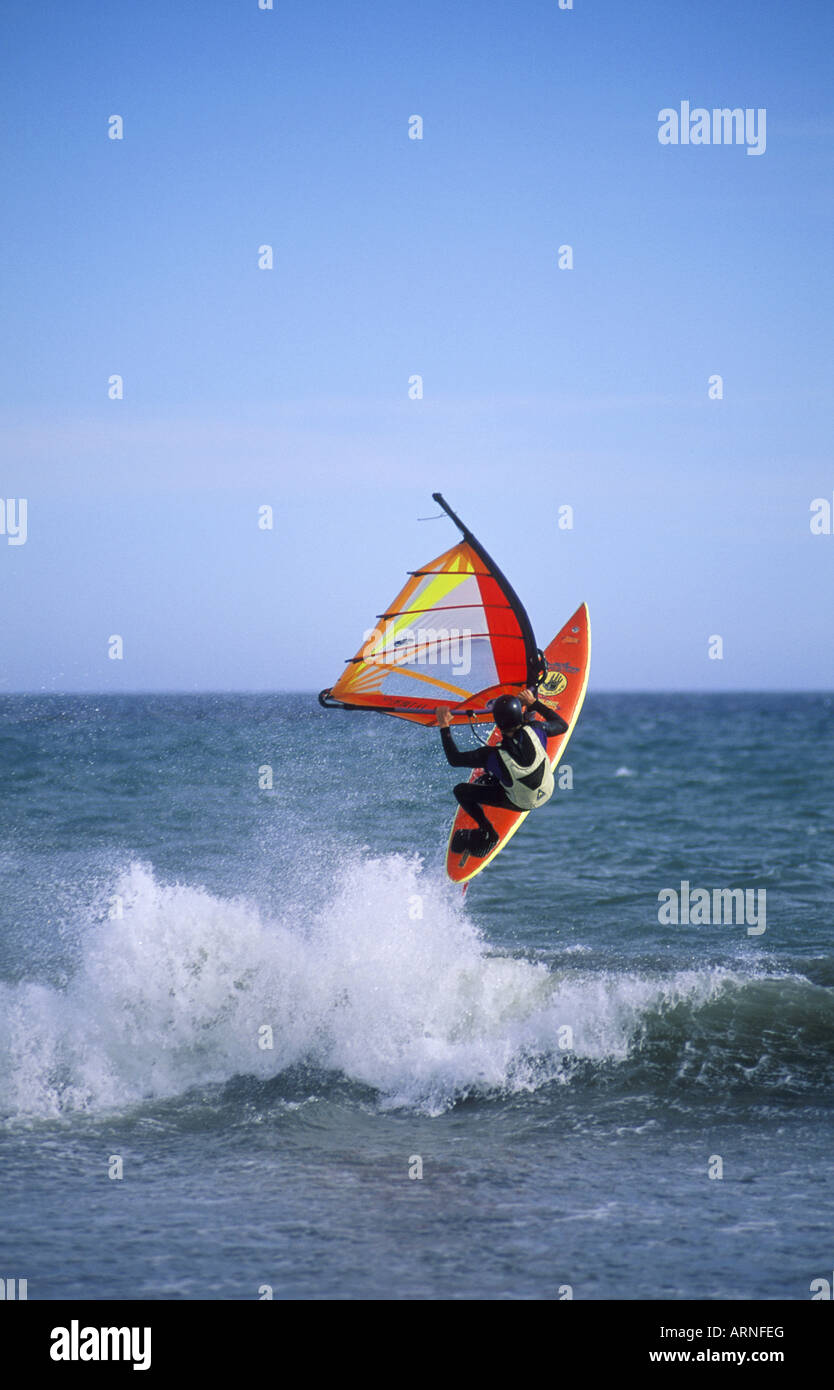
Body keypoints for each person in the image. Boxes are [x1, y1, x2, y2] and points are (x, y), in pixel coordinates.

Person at [436, 688, 569, 858]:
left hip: (520, 802)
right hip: (548, 791)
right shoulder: (536, 729)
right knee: (496, 774)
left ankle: (488, 831)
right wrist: (534, 703)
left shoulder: (492, 756)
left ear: (498, 724)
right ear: (519, 717)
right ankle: (499, 784)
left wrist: (444, 725)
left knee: (461, 791)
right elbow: (562, 725)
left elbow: (455, 760)